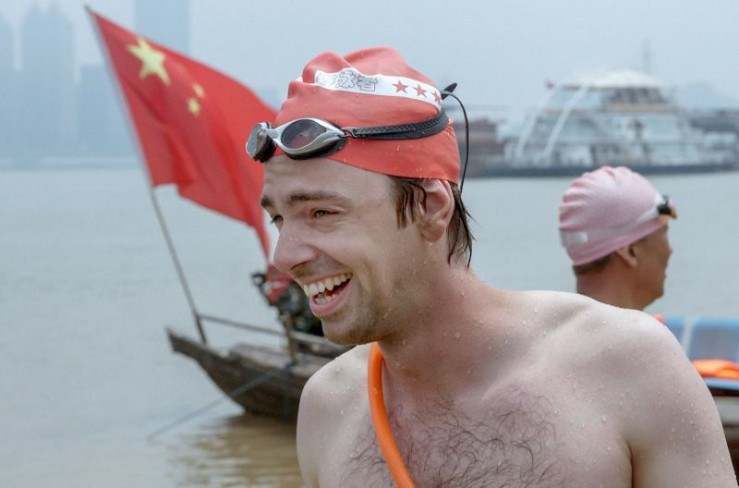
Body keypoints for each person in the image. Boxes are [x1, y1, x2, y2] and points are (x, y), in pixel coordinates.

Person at [251, 47, 734, 487]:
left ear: (431, 207)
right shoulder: (328, 407)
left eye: (322, 213)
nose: (285, 256)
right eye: (279, 219)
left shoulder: (626, 365)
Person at [559, 166, 676, 311]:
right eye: (664, 233)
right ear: (630, 251)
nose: (670, 250)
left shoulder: (551, 322)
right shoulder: (637, 326)